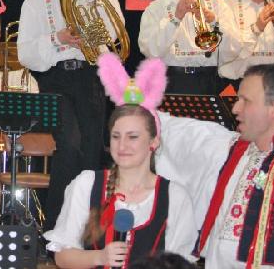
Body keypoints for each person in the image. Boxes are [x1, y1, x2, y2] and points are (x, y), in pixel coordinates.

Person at [155, 63, 274, 268]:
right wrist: (137, 103)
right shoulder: (230, 150)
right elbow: (178, 133)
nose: (235, 108)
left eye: (245, 101)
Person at [18, 0, 125, 230]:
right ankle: (55, 228)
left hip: (89, 76)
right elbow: (26, 54)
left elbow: (115, 34)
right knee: (70, 144)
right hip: (55, 80)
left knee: (91, 151)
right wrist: (58, 38)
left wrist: (87, 1)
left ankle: (87, 230)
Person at [45, 53, 197, 268]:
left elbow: (181, 263)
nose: (122, 145)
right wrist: (99, 257)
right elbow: (62, 257)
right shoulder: (87, 184)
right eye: (116, 136)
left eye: (133, 137)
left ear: (153, 141)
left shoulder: (175, 196)